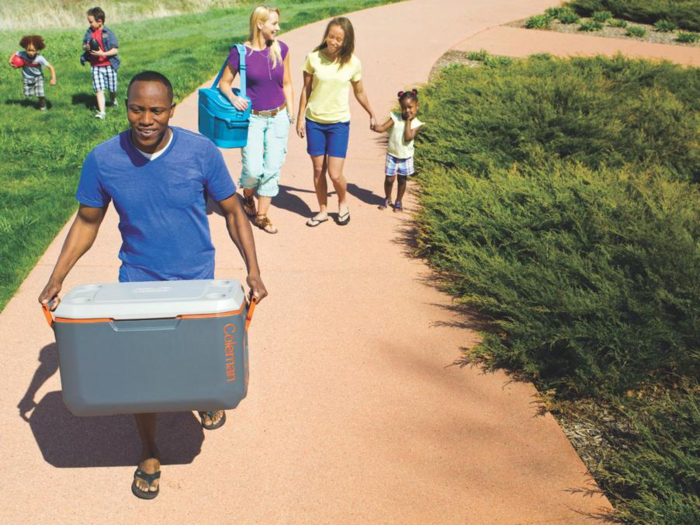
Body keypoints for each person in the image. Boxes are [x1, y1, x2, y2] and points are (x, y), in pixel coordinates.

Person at [38, 71, 268, 500]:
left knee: (197, 363)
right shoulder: (104, 159)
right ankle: (148, 450)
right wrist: (57, 277)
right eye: (137, 109)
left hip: (197, 280)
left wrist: (252, 269)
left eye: (156, 110)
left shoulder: (201, 153)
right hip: (137, 282)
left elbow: (234, 212)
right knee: (141, 374)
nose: (146, 119)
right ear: (126, 106)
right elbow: (88, 221)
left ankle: (204, 394)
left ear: (171, 110)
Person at [219, 5, 294, 235]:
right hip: (253, 119)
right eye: (273, 23)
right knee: (253, 169)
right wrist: (233, 97)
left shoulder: (281, 49)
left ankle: (262, 216)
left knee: (272, 167)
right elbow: (224, 82)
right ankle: (248, 194)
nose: (278, 28)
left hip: (278, 116)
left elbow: (287, 83)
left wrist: (290, 113)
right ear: (260, 24)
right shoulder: (241, 53)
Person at [296, 17, 377, 227]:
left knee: (334, 173)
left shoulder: (352, 62)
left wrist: (371, 113)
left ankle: (342, 203)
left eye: (339, 39)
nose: (333, 41)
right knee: (317, 170)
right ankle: (322, 210)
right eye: (331, 36)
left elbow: (359, 91)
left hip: (338, 123)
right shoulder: (313, 58)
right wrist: (300, 119)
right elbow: (306, 90)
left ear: (346, 41)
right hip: (314, 121)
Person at [372, 89, 423, 212]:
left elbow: (408, 137)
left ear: (417, 106)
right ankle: (387, 197)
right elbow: (384, 127)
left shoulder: (417, 123)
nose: (407, 111)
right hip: (392, 154)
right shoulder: (395, 117)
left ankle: (398, 201)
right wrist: (376, 127)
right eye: (403, 108)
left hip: (406, 156)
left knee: (402, 179)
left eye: (410, 107)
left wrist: (408, 121)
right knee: (389, 179)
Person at [81, 6, 120, 120]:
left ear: (99, 21)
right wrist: (86, 47)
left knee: (112, 89)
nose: (90, 24)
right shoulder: (89, 32)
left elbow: (115, 50)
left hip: (109, 65)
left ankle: (113, 100)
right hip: (95, 66)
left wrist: (102, 54)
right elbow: (84, 46)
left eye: (91, 22)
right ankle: (102, 112)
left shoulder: (108, 33)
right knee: (99, 89)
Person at [8, 35, 56, 111]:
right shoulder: (22, 54)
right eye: (28, 50)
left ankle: (42, 107)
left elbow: (51, 67)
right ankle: (35, 94)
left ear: (37, 49)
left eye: (33, 50)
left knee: (40, 94)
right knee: (28, 94)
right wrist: (10, 61)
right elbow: (15, 53)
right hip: (27, 78)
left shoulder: (39, 58)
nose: (30, 53)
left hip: (38, 77)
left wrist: (53, 78)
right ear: (25, 49)